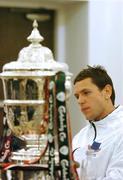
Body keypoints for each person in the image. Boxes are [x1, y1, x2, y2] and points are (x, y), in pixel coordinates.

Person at [72, 65, 123, 179]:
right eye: (77, 96)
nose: (80, 101)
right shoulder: (79, 137)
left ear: (107, 92)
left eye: (86, 93)